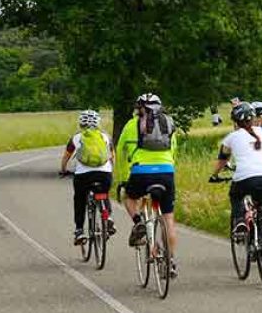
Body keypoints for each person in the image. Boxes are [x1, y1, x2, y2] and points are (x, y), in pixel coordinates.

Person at [117, 93, 180, 276]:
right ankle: (171, 262)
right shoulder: (168, 123)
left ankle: (138, 222)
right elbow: (174, 150)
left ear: (139, 108)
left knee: (129, 198)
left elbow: (120, 151)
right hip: (166, 172)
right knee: (168, 219)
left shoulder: (131, 125)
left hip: (140, 172)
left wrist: (123, 178)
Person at [210, 102, 262, 241]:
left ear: (235, 122)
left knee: (235, 196)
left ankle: (240, 220)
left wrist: (214, 175)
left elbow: (223, 159)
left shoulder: (231, 138)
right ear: (253, 118)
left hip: (245, 178)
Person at [59, 110, 115, 246]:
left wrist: (63, 170)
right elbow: (112, 157)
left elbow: (66, 157)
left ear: (81, 123)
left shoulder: (76, 138)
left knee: (79, 198)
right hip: (104, 174)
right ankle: (107, 216)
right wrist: (111, 170)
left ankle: (79, 230)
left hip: (83, 175)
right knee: (104, 193)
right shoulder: (105, 137)